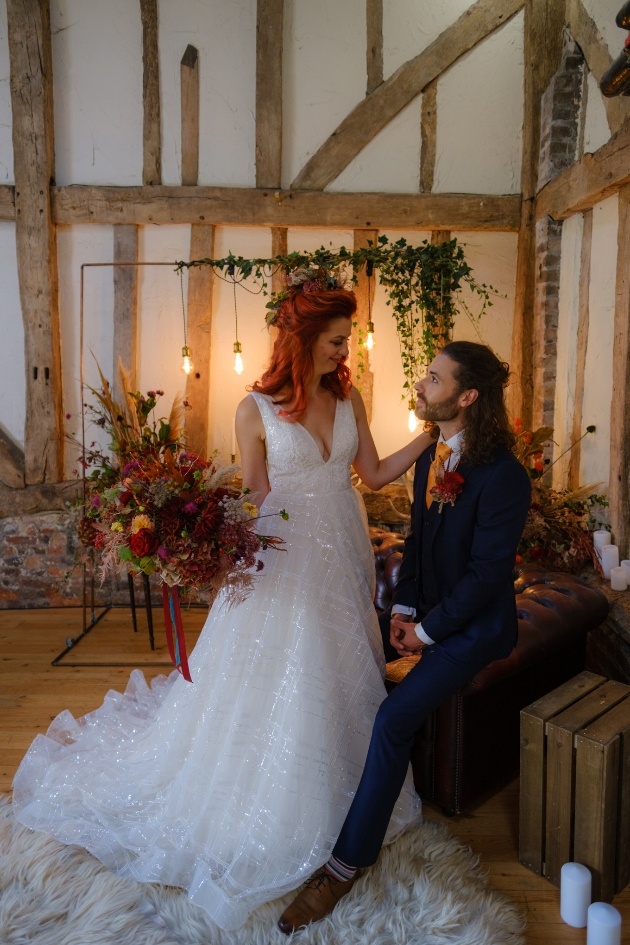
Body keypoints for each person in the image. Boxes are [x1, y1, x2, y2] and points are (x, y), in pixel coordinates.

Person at [12, 272, 431, 931]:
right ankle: (281, 806)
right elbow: (257, 495)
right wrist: (201, 541)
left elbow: (372, 474)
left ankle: (349, 798)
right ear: (301, 338)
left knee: (342, 670)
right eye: (334, 340)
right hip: (282, 558)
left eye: (346, 340)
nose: (343, 352)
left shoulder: (349, 397)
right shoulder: (253, 409)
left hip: (342, 550)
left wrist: (430, 436)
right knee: (281, 676)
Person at [278, 340, 532, 934]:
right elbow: (418, 542)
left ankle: (344, 868)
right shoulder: (432, 456)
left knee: (393, 719)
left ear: (468, 396)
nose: (421, 385)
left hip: (476, 630)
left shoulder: (505, 477)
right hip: (430, 615)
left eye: (435, 380)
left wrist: (426, 630)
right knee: (349, 675)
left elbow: (486, 577)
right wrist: (405, 608)